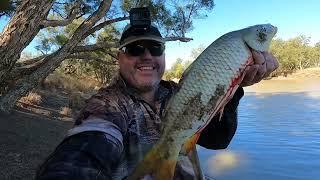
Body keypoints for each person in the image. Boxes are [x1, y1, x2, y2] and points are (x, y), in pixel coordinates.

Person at [36, 18, 279, 180]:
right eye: (135, 49)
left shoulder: (178, 93)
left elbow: (217, 141)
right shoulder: (107, 105)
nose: (146, 56)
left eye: (155, 48)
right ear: (118, 58)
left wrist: (234, 89)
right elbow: (83, 151)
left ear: (163, 55)